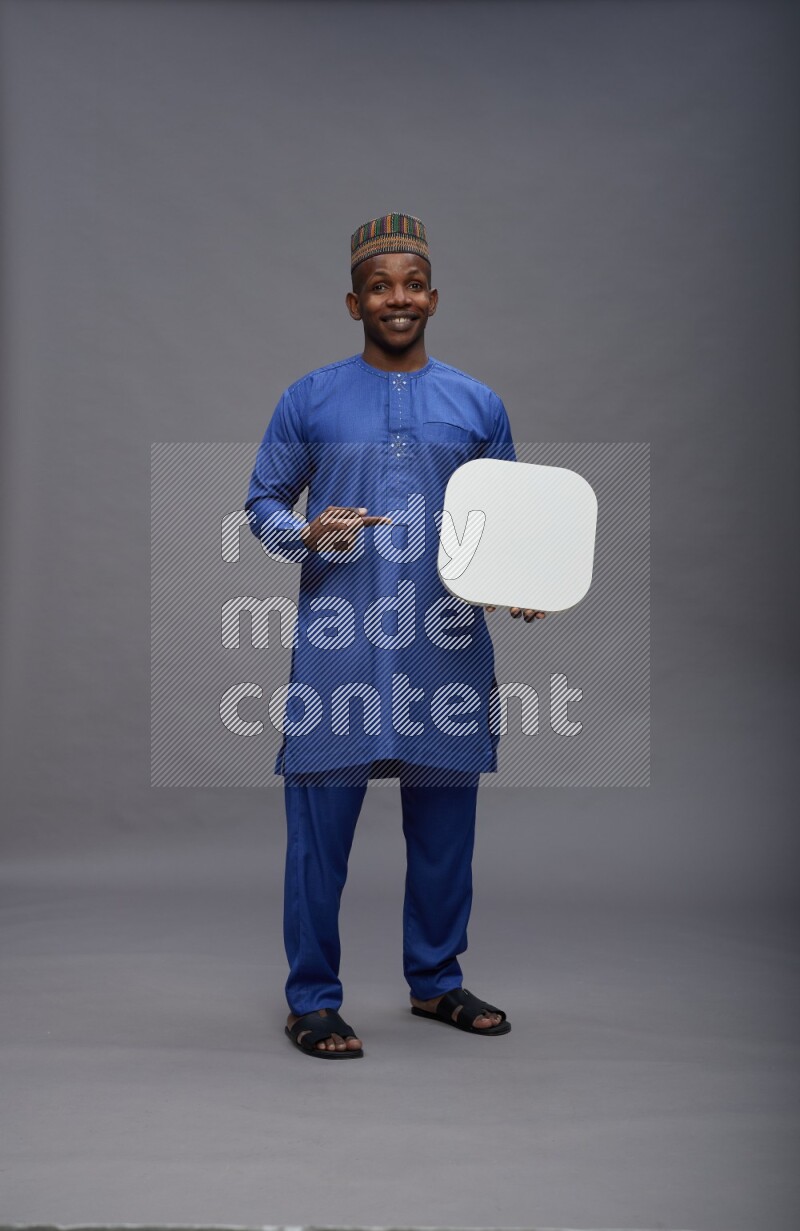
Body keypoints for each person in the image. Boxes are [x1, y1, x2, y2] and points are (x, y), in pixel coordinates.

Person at [245, 213, 545, 1058]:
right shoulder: (308, 398)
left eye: (412, 283)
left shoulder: (478, 403)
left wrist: (522, 585)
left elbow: (511, 525)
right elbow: (260, 504)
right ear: (354, 301)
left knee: (446, 837)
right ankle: (311, 997)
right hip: (339, 649)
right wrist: (304, 532)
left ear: (434, 296)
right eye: (380, 286)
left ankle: (437, 982)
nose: (398, 297)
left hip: (444, 645)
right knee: (318, 839)